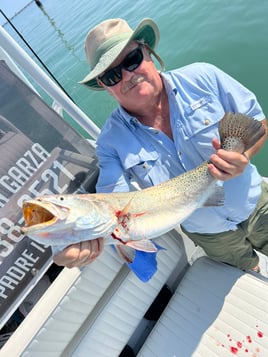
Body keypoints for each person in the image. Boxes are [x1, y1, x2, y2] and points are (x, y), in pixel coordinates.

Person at [53, 18, 268, 277]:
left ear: (147, 51)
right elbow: (113, 205)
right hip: (211, 236)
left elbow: (256, 122)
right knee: (248, 271)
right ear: (104, 86)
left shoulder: (203, 77)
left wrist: (244, 154)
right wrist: (69, 240)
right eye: (112, 75)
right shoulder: (110, 142)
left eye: (131, 59)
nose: (128, 76)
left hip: (257, 203)